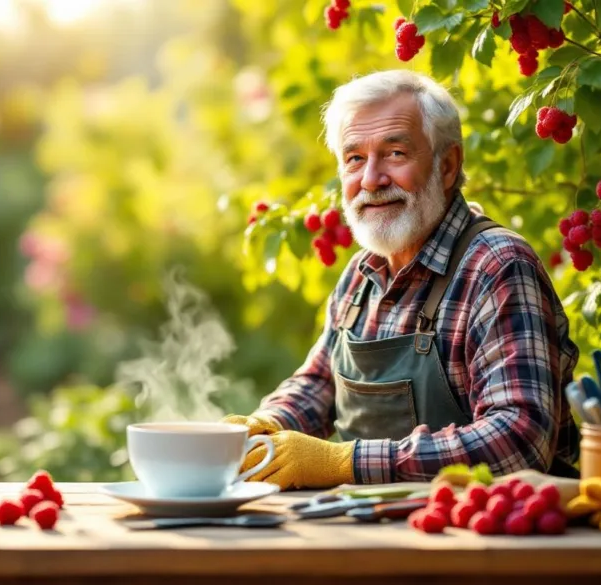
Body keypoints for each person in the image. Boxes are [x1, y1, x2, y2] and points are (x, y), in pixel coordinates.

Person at [222, 69, 581, 490]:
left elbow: (519, 441)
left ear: (447, 166)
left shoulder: (497, 266)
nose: (371, 180)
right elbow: (319, 384)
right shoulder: (362, 276)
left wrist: (346, 462)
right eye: (354, 159)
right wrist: (267, 424)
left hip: (495, 543)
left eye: (394, 153)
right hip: (385, 537)